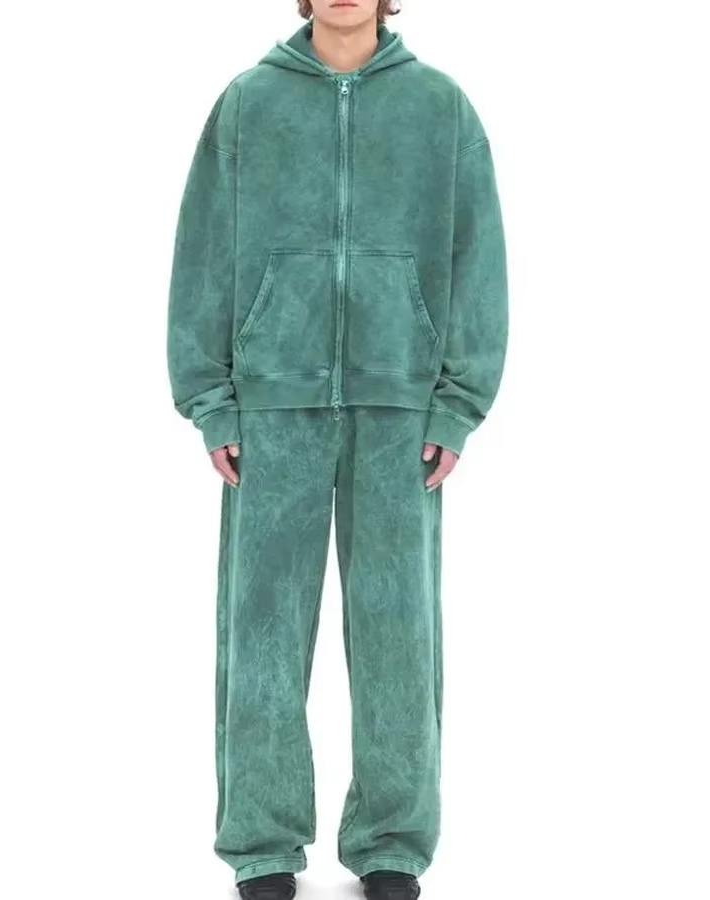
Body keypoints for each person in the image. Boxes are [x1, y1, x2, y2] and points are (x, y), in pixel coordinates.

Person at [167, 1, 508, 897]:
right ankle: (263, 845)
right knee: (262, 635)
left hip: (401, 410)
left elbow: (478, 258)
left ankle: (391, 843)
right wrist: (212, 401)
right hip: (269, 408)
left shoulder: (441, 107)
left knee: (400, 636)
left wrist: (456, 405)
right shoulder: (249, 103)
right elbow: (202, 253)